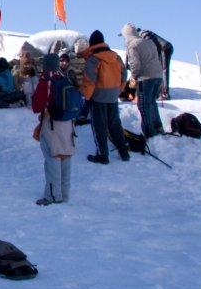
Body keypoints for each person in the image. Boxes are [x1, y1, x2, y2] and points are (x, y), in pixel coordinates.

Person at [31, 53, 76, 205]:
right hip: (68, 124)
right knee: (65, 158)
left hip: (52, 124)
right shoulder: (64, 78)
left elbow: (37, 106)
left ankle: (52, 196)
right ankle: (64, 195)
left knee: (53, 159)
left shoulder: (46, 80)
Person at [81, 30, 129, 163]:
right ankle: (124, 152)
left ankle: (103, 155)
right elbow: (124, 75)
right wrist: (118, 90)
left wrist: (87, 97)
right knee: (115, 125)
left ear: (91, 43)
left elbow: (89, 80)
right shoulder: (116, 57)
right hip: (113, 96)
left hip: (98, 97)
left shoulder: (94, 59)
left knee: (99, 126)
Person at [122, 23, 165, 138]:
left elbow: (135, 64)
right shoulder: (149, 42)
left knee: (143, 105)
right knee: (151, 102)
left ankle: (150, 133)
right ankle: (158, 126)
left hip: (146, 78)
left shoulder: (132, 45)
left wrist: (134, 77)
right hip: (158, 76)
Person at [138, 27, 174, 99]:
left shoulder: (142, 33)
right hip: (165, 47)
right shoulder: (145, 32)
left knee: (163, 70)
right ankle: (163, 91)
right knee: (163, 70)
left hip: (164, 49)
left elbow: (151, 44)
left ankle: (165, 93)